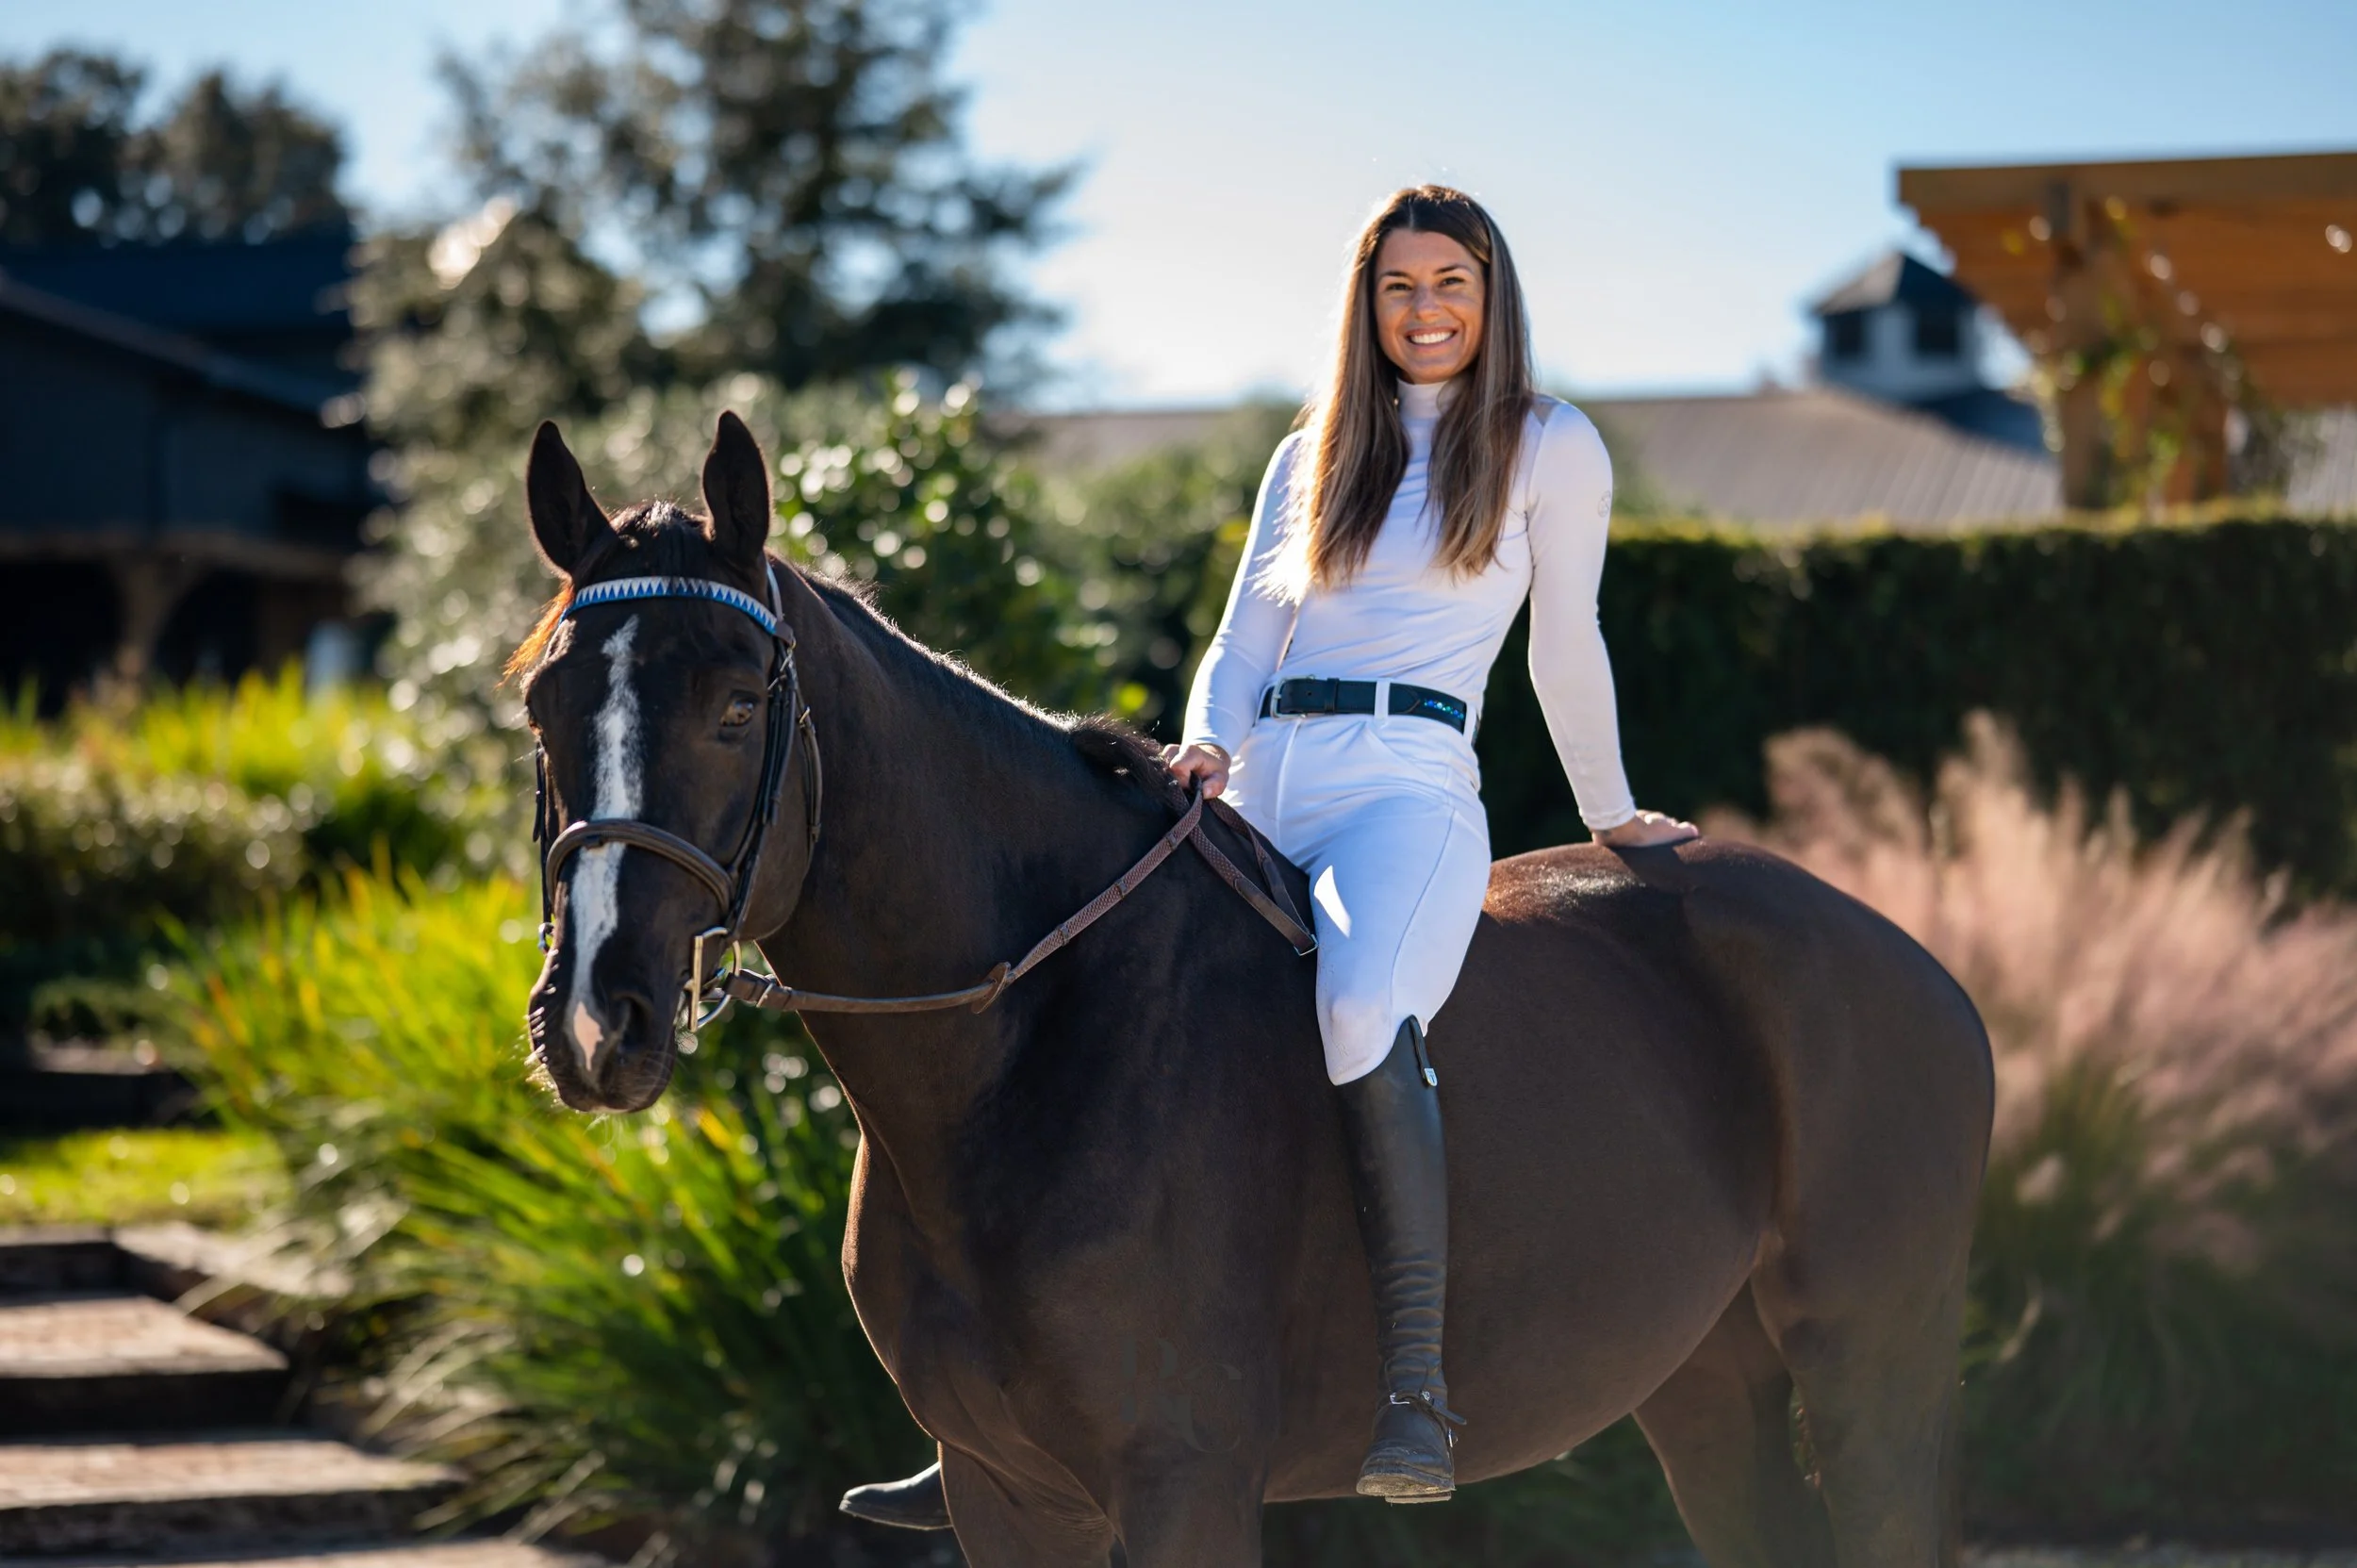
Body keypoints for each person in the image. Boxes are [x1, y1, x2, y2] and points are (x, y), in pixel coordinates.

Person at [840, 183, 1696, 1530]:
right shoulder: (1313, 452)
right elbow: (1244, 637)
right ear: (1368, 302)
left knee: (1359, 1003)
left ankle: (1413, 1379)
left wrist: (1614, 809)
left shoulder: (1548, 444)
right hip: (1269, 779)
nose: (1427, 310)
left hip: (1406, 794)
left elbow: (1563, 643)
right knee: (1108, 995)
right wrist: (1204, 747)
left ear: (1492, 296)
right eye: (1401, 286)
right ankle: (990, 1421)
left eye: (1452, 285)